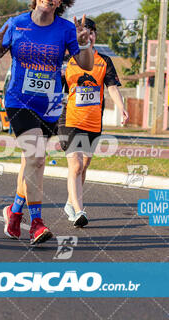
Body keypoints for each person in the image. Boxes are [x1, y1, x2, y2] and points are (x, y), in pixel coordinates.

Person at [0, 0, 93, 245]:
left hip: (49, 106)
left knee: (31, 162)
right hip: (19, 101)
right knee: (36, 159)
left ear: (61, 2)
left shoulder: (67, 29)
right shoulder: (17, 24)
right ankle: (36, 222)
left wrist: (84, 44)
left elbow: (87, 65)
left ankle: (13, 212)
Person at [58, 17, 128, 227]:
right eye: (83, 32)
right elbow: (53, 87)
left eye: (91, 33)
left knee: (85, 164)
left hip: (93, 121)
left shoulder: (104, 61)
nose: (87, 36)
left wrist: (121, 108)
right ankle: (79, 211)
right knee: (76, 164)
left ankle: (71, 202)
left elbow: (112, 87)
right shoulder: (67, 59)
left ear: (94, 36)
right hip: (69, 119)